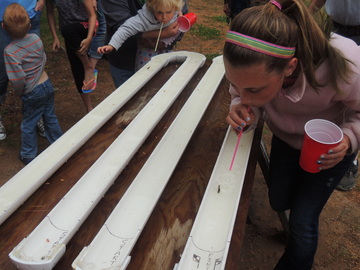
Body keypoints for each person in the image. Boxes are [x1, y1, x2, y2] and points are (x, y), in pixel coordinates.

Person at [223, 0, 360, 269]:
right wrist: (240, 107)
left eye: (254, 89)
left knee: (303, 220)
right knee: (278, 199)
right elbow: (241, 93)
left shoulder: (346, 63)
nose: (244, 95)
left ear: (290, 67)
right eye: (237, 84)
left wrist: (348, 139)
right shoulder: (254, 69)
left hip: (329, 151)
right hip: (286, 140)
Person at [308, 0, 359, 191]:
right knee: (327, 87)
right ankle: (316, 139)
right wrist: (308, 14)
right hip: (334, 29)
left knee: (356, 95)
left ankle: (349, 158)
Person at [3, 3, 63, 165]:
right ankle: (60, 145)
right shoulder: (36, 38)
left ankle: (28, 154)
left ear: (3, 27)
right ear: (30, 24)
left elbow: (18, 78)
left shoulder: (10, 51)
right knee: (50, 117)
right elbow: (43, 58)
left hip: (31, 91)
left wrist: (19, 91)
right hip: (47, 84)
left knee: (29, 123)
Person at [100, 0, 186, 88]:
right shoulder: (143, 19)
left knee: (164, 83)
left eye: (168, 12)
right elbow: (125, 28)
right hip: (134, 56)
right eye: (159, 12)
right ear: (152, 9)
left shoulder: (175, 10)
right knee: (142, 84)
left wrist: (171, 37)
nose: (164, 17)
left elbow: (185, 18)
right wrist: (113, 45)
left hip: (165, 53)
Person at [46, 0, 105, 112]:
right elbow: (50, 13)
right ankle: (89, 108)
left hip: (86, 26)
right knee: (76, 69)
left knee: (68, 30)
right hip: (69, 34)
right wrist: (55, 37)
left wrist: (89, 38)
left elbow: (92, 15)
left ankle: (88, 67)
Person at [0, 0, 44, 140]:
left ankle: (36, 114)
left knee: (35, 68)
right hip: (3, 20)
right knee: (2, 73)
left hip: (29, 15)